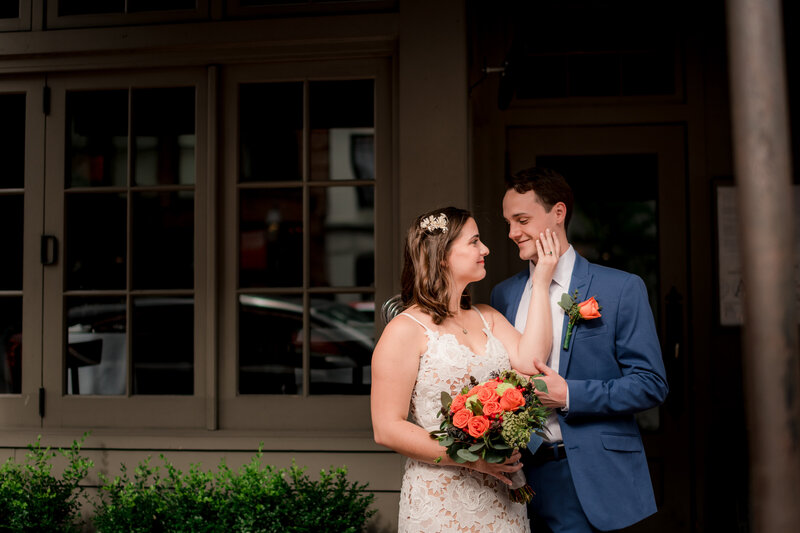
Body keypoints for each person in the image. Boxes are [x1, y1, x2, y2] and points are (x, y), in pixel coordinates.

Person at [491, 167, 669, 532]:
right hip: (513, 476)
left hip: (588, 476)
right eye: (508, 222)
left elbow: (651, 383)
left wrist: (570, 393)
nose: (512, 233)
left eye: (521, 219)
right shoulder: (503, 294)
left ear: (558, 213)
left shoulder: (620, 288)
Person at [371, 206, 560, 532]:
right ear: (442, 256)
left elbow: (533, 364)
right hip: (441, 498)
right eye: (474, 242)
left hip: (501, 498)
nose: (485, 249)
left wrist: (541, 280)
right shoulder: (405, 329)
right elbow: (387, 428)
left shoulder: (488, 318)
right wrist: (473, 458)